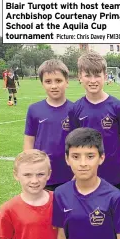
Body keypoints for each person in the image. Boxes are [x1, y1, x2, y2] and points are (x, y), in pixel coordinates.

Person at [69, 51, 120, 196]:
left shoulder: (118, 107)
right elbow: (74, 142)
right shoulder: (75, 109)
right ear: (80, 77)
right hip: (86, 173)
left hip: (113, 173)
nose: (93, 80)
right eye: (87, 75)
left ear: (105, 76)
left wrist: (107, 154)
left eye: (97, 75)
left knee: (115, 213)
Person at [23, 59, 74, 191]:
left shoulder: (75, 110)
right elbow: (29, 140)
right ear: (42, 84)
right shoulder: (34, 109)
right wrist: (30, 169)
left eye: (58, 80)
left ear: (67, 82)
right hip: (42, 175)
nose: (53, 86)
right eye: (48, 81)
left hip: (70, 175)